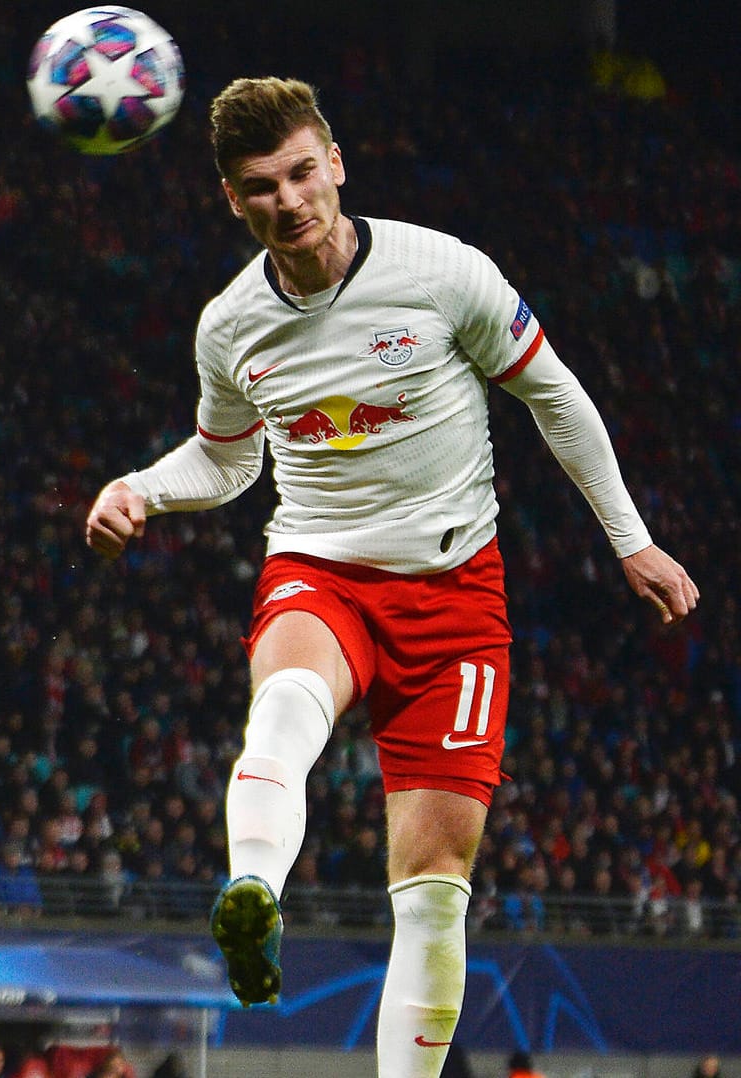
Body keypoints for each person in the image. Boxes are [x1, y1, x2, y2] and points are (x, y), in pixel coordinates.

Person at [83, 78, 698, 1078]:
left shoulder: (441, 271)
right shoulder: (232, 326)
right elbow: (228, 459)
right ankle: (253, 891)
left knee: (435, 880)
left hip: (456, 594)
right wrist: (142, 490)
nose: (285, 199)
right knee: (285, 700)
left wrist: (631, 538)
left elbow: (554, 395)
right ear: (232, 202)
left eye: (296, 171)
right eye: (258, 186)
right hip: (320, 567)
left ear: (333, 160)